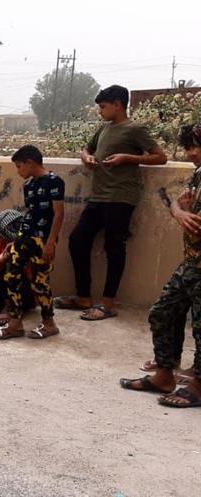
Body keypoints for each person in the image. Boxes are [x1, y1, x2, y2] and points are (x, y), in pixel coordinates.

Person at [55, 85, 168, 321]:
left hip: (121, 197)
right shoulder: (104, 128)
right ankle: (83, 297)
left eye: (103, 107)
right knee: (78, 240)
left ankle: (108, 303)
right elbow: (87, 149)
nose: (101, 111)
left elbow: (160, 157)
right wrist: (86, 158)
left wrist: (127, 158)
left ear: (118, 105)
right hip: (98, 196)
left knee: (114, 247)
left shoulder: (135, 129)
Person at [120, 124, 201, 408]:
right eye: (189, 147)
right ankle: (164, 375)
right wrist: (180, 212)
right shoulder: (199, 173)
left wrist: (183, 213)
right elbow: (179, 207)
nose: (192, 153)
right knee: (162, 312)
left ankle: (198, 386)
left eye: (197, 146)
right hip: (192, 261)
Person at [0, 145, 64, 340]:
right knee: (10, 275)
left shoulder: (54, 181)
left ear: (30, 162)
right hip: (24, 237)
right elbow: (30, 214)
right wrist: (16, 239)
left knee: (40, 282)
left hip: (43, 240)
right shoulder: (28, 185)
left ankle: (49, 323)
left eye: (19, 166)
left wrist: (50, 243)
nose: (18, 171)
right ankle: (15, 323)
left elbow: (58, 214)